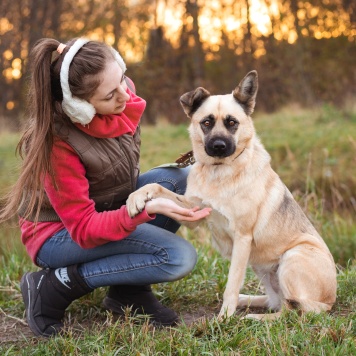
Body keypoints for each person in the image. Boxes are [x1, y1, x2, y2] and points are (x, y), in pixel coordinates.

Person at [0, 37, 211, 337]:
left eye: (122, 78)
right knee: (177, 258)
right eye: (110, 95)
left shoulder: (120, 92)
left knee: (179, 178)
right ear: (79, 107)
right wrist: (142, 210)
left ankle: (128, 292)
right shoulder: (59, 144)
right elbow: (84, 228)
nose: (125, 94)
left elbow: (121, 95)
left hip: (105, 205)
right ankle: (53, 285)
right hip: (59, 235)